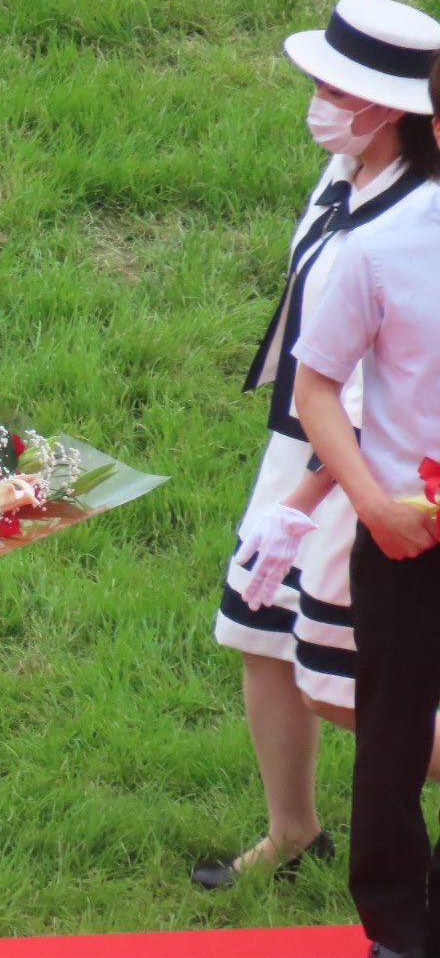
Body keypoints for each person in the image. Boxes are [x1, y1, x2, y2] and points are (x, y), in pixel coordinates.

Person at [194, 0, 440, 889]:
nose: (318, 101)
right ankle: (292, 831)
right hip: (299, 438)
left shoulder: (412, 220)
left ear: (387, 108)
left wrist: (302, 502)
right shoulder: (347, 170)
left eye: (335, 89)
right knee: (258, 632)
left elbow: (380, 390)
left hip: (356, 463)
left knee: (340, 684)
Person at [294, 49, 440, 958]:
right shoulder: (380, 247)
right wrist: (373, 506)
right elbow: (315, 389)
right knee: (392, 739)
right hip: (405, 535)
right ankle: (395, 930)